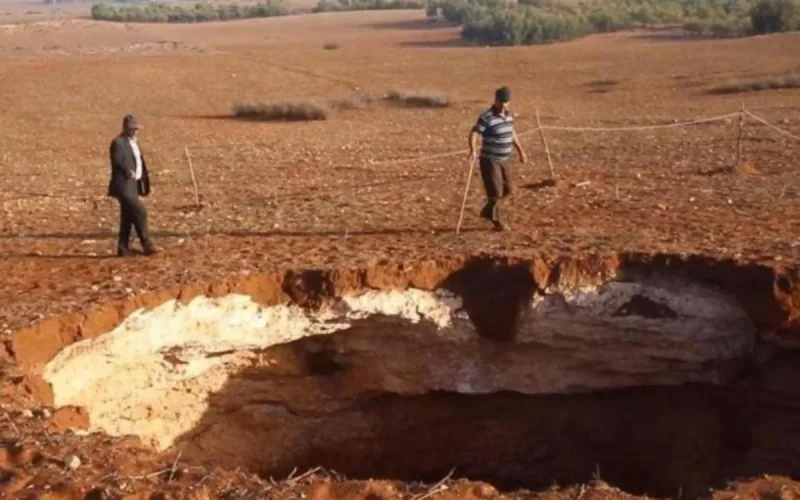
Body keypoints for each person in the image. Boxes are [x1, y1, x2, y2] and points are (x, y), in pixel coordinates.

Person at [468, 86, 527, 231]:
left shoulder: (508, 116)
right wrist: (472, 150)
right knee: (495, 191)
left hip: (505, 158)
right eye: (501, 101)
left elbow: (512, 133)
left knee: (508, 189)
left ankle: (487, 211)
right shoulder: (486, 117)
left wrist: (521, 151)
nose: (504, 104)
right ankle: (497, 221)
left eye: (506, 102)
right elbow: (474, 133)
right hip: (490, 159)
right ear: (495, 100)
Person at [107, 114, 158, 256]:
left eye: (136, 129)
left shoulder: (134, 143)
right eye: (131, 129)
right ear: (124, 128)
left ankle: (123, 249)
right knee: (140, 212)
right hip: (123, 185)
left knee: (127, 217)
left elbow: (139, 162)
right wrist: (127, 170)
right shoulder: (118, 143)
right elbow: (117, 160)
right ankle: (147, 244)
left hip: (133, 185)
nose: (134, 131)